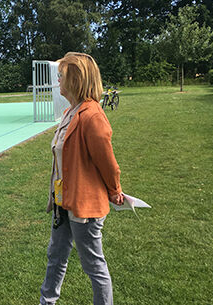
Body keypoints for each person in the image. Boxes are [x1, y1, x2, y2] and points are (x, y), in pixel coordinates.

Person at [39, 52, 124, 305]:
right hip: (63, 202)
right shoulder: (70, 112)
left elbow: (108, 163)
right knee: (55, 256)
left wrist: (114, 189)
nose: (58, 82)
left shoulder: (92, 115)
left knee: (93, 266)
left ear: (76, 79)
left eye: (61, 76)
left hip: (84, 207)